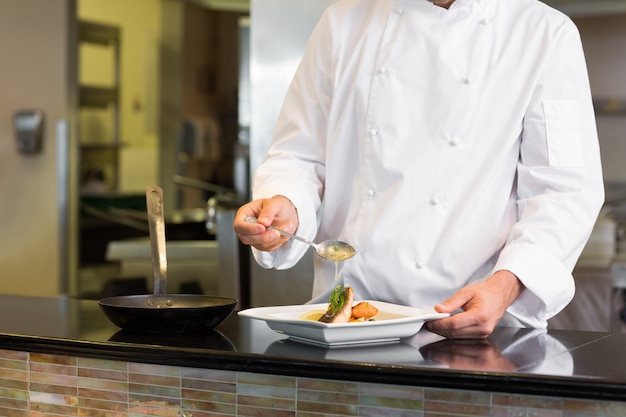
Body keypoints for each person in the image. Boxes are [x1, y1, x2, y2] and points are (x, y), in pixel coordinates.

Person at [233, 0, 604, 339]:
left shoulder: (544, 33)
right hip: (350, 322)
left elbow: (562, 191)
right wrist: (286, 205)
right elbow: (297, 153)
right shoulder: (343, 21)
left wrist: (506, 285)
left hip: (480, 325)